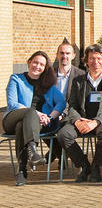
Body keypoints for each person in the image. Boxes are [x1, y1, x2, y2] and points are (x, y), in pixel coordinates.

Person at [58, 44, 102, 183]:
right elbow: (72, 105)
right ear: (86, 61)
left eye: (99, 58)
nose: (95, 62)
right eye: (91, 58)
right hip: (81, 120)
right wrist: (77, 121)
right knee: (63, 134)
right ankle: (84, 165)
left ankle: (96, 166)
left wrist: (96, 122)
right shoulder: (78, 81)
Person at [4, 51, 65, 186]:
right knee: (29, 113)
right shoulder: (16, 79)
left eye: (41, 64)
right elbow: (13, 103)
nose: (37, 66)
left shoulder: (48, 85)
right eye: (35, 62)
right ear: (29, 62)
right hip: (12, 118)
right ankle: (32, 151)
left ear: (45, 68)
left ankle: (22, 170)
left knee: (22, 126)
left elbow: (61, 102)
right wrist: (37, 113)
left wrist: (50, 116)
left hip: (33, 124)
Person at [49, 41, 85, 163]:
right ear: (57, 55)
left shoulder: (81, 75)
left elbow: (77, 101)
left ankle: (59, 154)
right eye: (62, 53)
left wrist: (62, 113)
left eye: (68, 53)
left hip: (70, 114)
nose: (65, 56)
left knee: (63, 131)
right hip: (51, 113)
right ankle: (59, 153)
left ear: (73, 56)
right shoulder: (48, 74)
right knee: (39, 125)